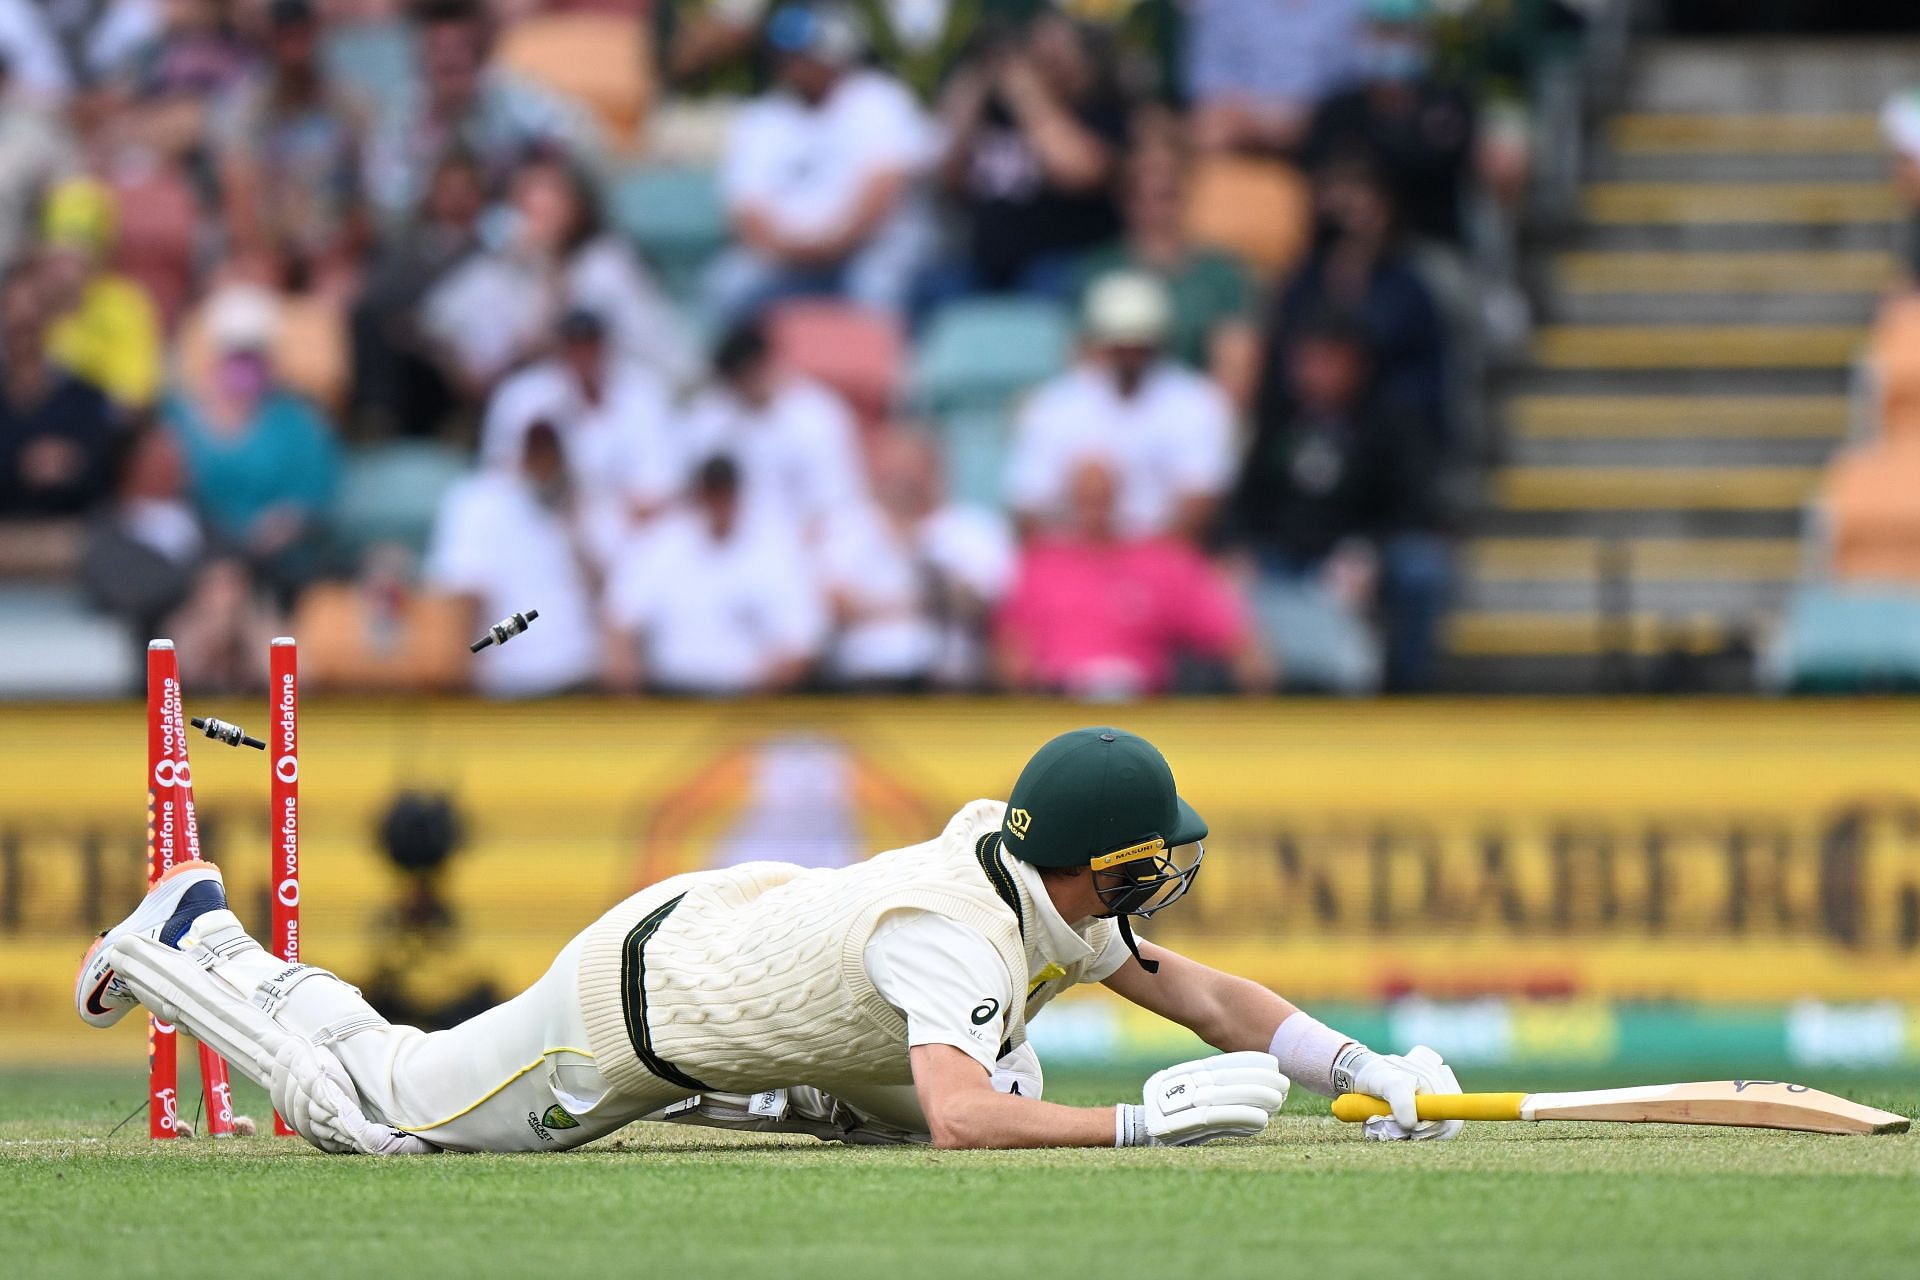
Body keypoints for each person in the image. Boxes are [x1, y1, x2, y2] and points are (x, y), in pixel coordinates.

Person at [76, 724, 1467, 1153]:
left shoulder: (1036, 871)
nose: (1167, 882)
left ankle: (794, 1085)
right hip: (635, 1010)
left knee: (1002, 1082)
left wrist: (1358, 1064)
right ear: (1094, 869)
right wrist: (1138, 1135)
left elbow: (1212, 999)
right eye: (1149, 861)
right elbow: (968, 1121)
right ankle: (181, 940)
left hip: (742, 941)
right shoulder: (957, 933)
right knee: (381, 1111)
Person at [1231, 313, 1448, 692]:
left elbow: (1415, 508)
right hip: (1284, 556)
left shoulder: (1391, 423)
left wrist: (1369, 551)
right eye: (1306, 361)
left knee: (1421, 567)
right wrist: (1237, 550)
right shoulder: (1279, 421)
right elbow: (1246, 503)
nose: (1313, 372)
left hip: (1359, 556)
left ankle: (1405, 687)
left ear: (1357, 364)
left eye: (1327, 360)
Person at [706, 2, 935, 320]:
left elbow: (883, 193)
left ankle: (884, 370)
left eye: (804, 53)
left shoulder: (879, 99)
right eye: (786, 56)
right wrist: (793, 251)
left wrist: (833, 246)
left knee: (876, 286)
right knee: (730, 282)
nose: (794, 65)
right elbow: (747, 212)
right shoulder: (762, 117)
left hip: (867, 249)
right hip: (785, 257)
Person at [419, 150, 698, 395]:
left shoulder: (603, 263)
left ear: (576, 208)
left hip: (628, 394)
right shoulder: (497, 270)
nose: (537, 208)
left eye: (551, 196)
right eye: (527, 197)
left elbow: (646, 347)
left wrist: (552, 277)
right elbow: (435, 323)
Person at [997, 458, 1261, 698]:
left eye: (1101, 497)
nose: (1093, 507)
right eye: (1085, 498)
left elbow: (1238, 642)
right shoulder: (1041, 564)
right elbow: (1011, 651)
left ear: (1117, 497)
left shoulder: (1164, 561)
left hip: (1146, 708)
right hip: (1057, 709)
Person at [1004, 271, 1235, 543]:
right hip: (1076, 554)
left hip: (1163, 554)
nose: (1129, 357)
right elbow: (1028, 506)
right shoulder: (1055, 406)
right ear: (1099, 342)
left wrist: (1134, 560)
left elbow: (1200, 504)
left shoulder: (1197, 403)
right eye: (1120, 345)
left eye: (1139, 345)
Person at [159, 283, 340, 603]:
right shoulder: (176, 415)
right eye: (235, 352)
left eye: (253, 352)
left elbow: (315, 493)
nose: (244, 363)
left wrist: (284, 525)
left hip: (275, 565)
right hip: (192, 564)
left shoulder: (297, 420)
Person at [933, 12, 1127, 300]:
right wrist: (978, 82)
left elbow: (1080, 172)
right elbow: (949, 178)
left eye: (1058, 48)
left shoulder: (1100, 110)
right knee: (935, 288)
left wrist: (1028, 96)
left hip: (1060, 264)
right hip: (982, 264)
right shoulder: (996, 111)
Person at [361, 0, 604, 229]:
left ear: (482, 54)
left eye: (461, 48)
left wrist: (541, 165)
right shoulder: (402, 116)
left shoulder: (514, 100)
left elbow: (583, 144)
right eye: (438, 49)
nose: (450, 58)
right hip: (427, 244)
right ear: (420, 57)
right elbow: (387, 204)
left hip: (505, 236)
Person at [603, 453, 827, 696]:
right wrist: (632, 700)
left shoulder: (776, 550)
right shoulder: (661, 545)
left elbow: (803, 644)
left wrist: (750, 700)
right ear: (697, 495)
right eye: (711, 492)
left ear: (739, 494)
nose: (718, 501)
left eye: (725, 492)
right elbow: (619, 621)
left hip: (748, 702)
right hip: (670, 700)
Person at [477, 308, 679, 571]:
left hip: (621, 525)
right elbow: (499, 472)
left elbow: (660, 486)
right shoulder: (522, 396)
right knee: (480, 506)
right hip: (542, 514)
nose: (583, 355)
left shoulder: (643, 393)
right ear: (558, 349)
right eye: (574, 345)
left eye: (590, 344)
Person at [79, 421, 272, 692]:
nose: (177, 458)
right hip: (158, 634)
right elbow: (122, 591)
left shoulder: (199, 516)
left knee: (245, 612)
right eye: (162, 451)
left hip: (237, 618)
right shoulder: (112, 528)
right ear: (131, 464)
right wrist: (201, 584)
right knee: (216, 607)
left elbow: (237, 560)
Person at [816, 430, 1016, 690]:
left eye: (909, 467)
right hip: (861, 683)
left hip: (949, 685)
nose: (900, 479)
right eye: (891, 468)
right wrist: (927, 602)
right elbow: (836, 607)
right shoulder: (844, 527)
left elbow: (976, 603)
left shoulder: (975, 528)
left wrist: (913, 543)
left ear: (935, 469)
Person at [1270, 157, 1448, 445]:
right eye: (1345, 207)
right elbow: (1283, 362)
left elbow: (1425, 380)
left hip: (1386, 434)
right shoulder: (1303, 284)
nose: (1355, 219)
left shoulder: (1408, 290)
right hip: (1306, 426)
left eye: (1366, 205)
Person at [1076, 135, 1261, 408]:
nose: (1155, 210)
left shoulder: (1223, 276)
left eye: (1167, 195)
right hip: (1117, 424)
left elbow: (1235, 378)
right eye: (1140, 196)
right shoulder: (1099, 271)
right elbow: (1086, 375)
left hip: (1196, 425)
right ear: (1124, 200)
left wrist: (1184, 427)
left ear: (1187, 194)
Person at [425, 420, 601, 698]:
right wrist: (465, 676)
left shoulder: (581, 503)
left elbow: (607, 592)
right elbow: (465, 596)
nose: (543, 463)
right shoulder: (478, 503)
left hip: (580, 679)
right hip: (507, 685)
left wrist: (573, 523)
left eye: (550, 454)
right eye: (535, 453)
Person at [213, 0, 369, 292]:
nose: (294, 46)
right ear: (270, 39)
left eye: (302, 34)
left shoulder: (349, 106)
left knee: (343, 291)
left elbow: (363, 198)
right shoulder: (245, 109)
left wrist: (340, 250)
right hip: (269, 248)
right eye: (285, 36)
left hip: (332, 250)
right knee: (237, 290)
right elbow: (239, 196)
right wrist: (268, 257)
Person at [1302, 0, 1477, 249]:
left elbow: (1431, 167)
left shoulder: (1447, 105)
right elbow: (1319, 183)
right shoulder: (1337, 110)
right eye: (1382, 31)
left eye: (1401, 31)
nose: (1391, 42)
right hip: (1345, 253)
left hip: (1426, 249)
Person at [679, 318, 871, 544]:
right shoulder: (708, 417)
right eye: (736, 384)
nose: (746, 388)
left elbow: (834, 505)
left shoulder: (818, 417)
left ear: (767, 365)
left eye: (751, 376)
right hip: (724, 543)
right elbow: (690, 497)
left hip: (800, 545)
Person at [0, 264, 119, 518]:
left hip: (71, 542)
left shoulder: (85, 399)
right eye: (11, 312)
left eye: (31, 320)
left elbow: (107, 479)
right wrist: (21, 466)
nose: (22, 323)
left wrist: (73, 466)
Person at [37, 177, 163, 410]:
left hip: (98, 426)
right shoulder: (25, 300)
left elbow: (136, 388)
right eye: (59, 259)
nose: (66, 271)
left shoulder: (127, 304)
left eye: (77, 260)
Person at [1185, 0, 1366, 154]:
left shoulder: (1353, 8)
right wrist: (1269, 126)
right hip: (1240, 146)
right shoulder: (1226, 7)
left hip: (1327, 146)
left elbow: (1355, 89)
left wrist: (1299, 123)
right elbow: (1208, 96)